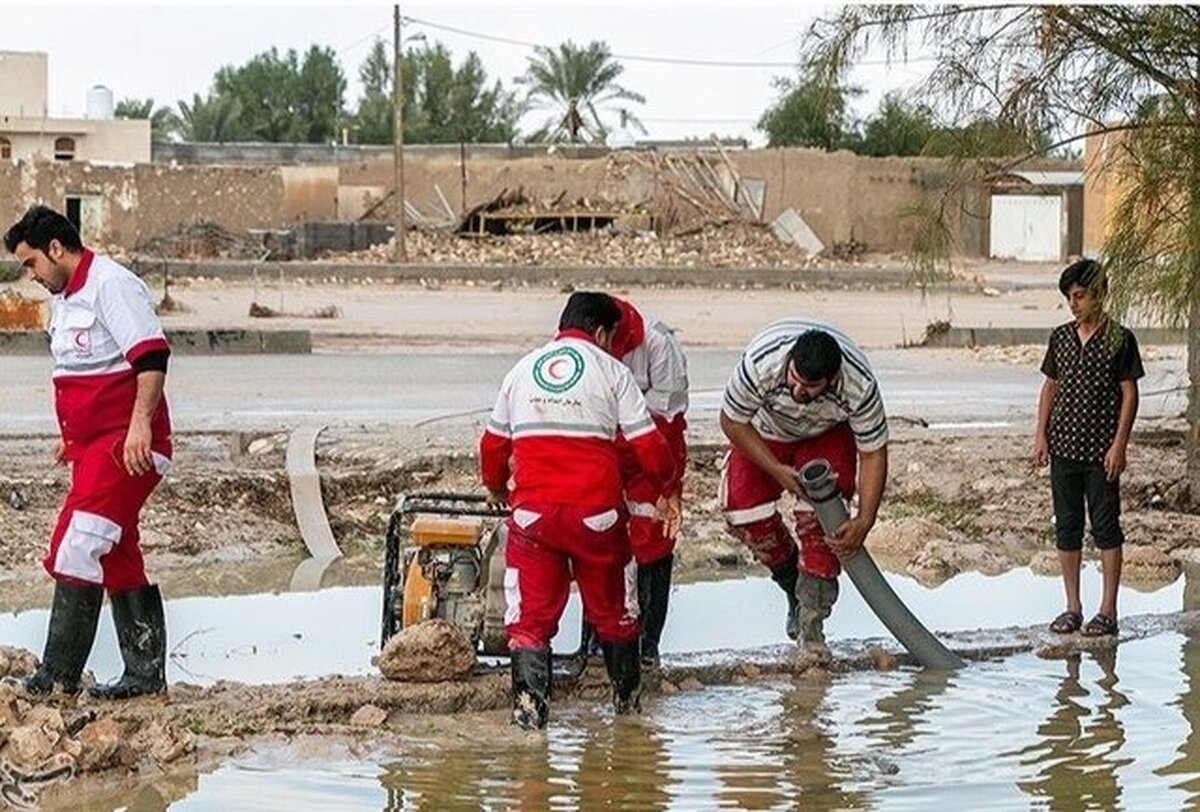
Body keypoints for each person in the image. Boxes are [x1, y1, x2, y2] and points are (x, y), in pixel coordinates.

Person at [479, 291, 679, 730]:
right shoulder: (613, 371)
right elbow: (649, 445)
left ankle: (531, 722)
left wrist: (496, 488)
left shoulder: (523, 368)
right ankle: (627, 714)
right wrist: (664, 490)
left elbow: (493, 446)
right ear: (603, 333)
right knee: (616, 615)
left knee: (529, 621)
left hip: (532, 519)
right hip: (598, 519)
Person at [4, 205, 172, 699]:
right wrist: (72, 435)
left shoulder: (110, 285)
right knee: (116, 554)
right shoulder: (66, 296)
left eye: (31, 263)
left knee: (79, 542)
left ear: (56, 249)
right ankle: (145, 677)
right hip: (93, 448)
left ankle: (57, 678)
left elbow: (151, 355)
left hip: (128, 446)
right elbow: (87, 370)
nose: (30, 275)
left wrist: (140, 423)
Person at [719, 318, 889, 652]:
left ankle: (811, 630)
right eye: (794, 380)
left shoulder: (859, 386)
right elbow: (732, 420)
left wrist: (865, 520)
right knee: (742, 513)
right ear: (789, 363)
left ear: (832, 380)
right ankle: (792, 586)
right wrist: (776, 469)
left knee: (822, 524)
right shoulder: (760, 363)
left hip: (826, 432)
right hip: (765, 432)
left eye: (810, 388)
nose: (799, 391)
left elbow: (873, 454)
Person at [1034, 259, 1143, 638]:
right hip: (1063, 447)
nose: (1074, 304)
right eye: (1069, 298)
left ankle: (1108, 610)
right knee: (1066, 526)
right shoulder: (1060, 338)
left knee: (1106, 528)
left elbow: (1130, 394)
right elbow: (1050, 387)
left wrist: (1120, 445)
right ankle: (1072, 608)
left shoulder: (1120, 339)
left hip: (1101, 452)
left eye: (1079, 296)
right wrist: (1040, 435)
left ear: (1098, 294)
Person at [608, 297, 688, 668]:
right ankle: (602, 640)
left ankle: (648, 645)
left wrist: (669, 486)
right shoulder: (583, 342)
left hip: (654, 448)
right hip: (604, 447)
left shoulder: (658, 344)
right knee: (602, 535)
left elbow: (668, 420)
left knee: (653, 539)